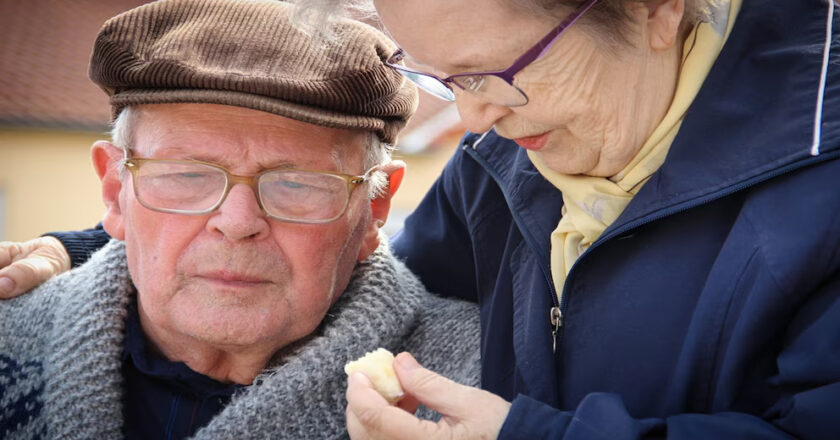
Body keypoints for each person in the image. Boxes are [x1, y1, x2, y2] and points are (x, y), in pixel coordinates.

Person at [3, 0, 840, 438]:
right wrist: (96, 252)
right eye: (445, 80)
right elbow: (356, 263)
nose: (473, 125)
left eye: (495, 71)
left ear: (658, 9)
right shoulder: (509, 154)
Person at [0, 0, 481, 438]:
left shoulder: (479, 382)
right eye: (187, 175)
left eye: (296, 183)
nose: (236, 222)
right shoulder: (9, 334)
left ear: (374, 208)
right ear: (114, 190)